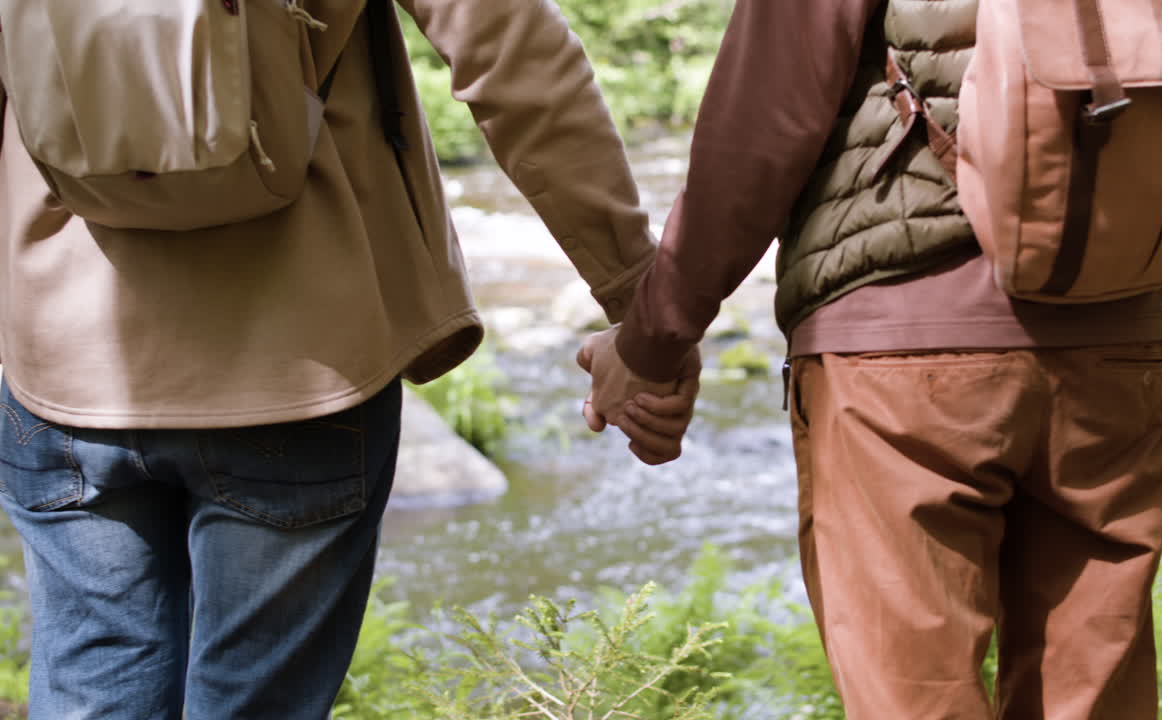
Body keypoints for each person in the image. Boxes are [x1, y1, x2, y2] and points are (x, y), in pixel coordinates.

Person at [0, 1, 674, 717]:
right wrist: (642, 310)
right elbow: (516, 58)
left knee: (92, 688)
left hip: (64, 350)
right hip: (306, 352)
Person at [581, 0, 1162, 716]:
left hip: (904, 354)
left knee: (917, 700)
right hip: (1116, 331)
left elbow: (761, 130)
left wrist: (651, 342)